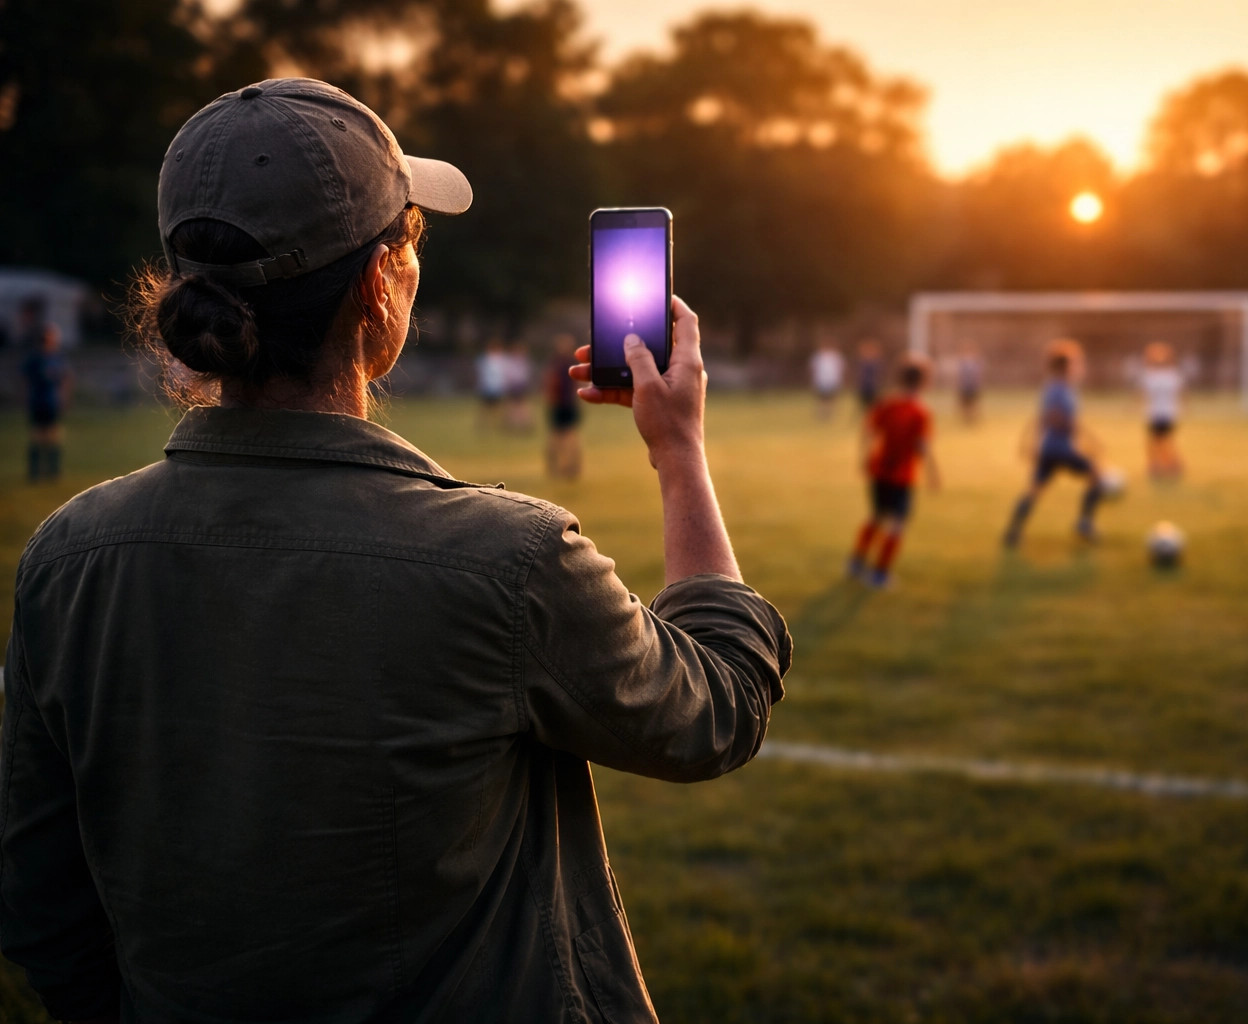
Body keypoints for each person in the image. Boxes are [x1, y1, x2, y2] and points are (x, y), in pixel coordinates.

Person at [0, 78, 790, 1024]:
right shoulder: (511, 562)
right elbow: (719, 709)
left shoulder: (66, 559)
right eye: (411, 241)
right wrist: (678, 449)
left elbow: (40, 903)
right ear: (381, 284)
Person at [847, 355, 939, 588]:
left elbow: (868, 430)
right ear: (924, 382)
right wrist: (933, 471)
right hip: (902, 475)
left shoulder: (887, 404)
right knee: (898, 523)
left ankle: (856, 562)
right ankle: (879, 573)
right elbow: (922, 445)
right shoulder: (919, 411)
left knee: (877, 516)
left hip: (880, 470)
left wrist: (865, 458)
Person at [1003, 339, 1104, 546]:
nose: (1079, 368)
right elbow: (1054, 417)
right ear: (1066, 367)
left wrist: (1032, 442)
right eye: (1076, 363)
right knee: (1096, 474)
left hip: (1050, 448)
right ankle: (1084, 523)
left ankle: (1012, 532)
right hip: (1059, 449)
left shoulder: (1057, 387)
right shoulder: (1058, 388)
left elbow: (1042, 419)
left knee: (1034, 490)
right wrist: (1081, 433)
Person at [20, 322, 72, 482]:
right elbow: (24, 379)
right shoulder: (35, 358)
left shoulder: (57, 357)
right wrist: (24, 397)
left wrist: (63, 397)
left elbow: (65, 378)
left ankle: (52, 472)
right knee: (38, 437)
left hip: (51, 402)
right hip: (38, 402)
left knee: (53, 437)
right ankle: (35, 472)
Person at [1140, 341, 1184, 480]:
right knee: (1164, 441)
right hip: (1169, 413)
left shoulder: (1150, 376)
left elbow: (1143, 394)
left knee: (1155, 442)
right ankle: (1169, 464)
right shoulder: (1173, 375)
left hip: (1156, 413)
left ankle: (1160, 465)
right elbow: (1182, 393)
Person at [544, 332, 582, 478]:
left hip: (564, 404)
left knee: (565, 437)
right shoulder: (565, 363)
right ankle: (563, 466)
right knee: (562, 437)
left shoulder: (558, 363)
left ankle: (566, 466)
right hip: (563, 404)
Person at [474, 336, 508, 429]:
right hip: (488, 387)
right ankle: (484, 425)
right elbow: (480, 373)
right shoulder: (485, 359)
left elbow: (505, 374)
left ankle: (496, 425)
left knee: (497, 408)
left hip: (497, 387)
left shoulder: (500, 359)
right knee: (486, 408)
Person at [502, 339, 534, 431]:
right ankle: (514, 424)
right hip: (514, 385)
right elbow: (508, 374)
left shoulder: (524, 361)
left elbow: (526, 374)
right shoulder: (511, 361)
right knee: (513, 406)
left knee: (521, 406)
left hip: (520, 385)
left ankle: (523, 423)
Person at [808, 341, 844, 420]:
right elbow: (813, 368)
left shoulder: (835, 356)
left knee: (832, 398)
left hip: (832, 379)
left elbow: (840, 368)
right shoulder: (818, 356)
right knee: (821, 398)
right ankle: (821, 413)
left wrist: (839, 379)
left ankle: (831, 413)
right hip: (821, 380)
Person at [957, 343, 983, 424]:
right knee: (965, 404)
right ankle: (967, 419)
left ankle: (973, 419)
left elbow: (978, 374)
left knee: (973, 403)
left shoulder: (976, 362)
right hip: (965, 386)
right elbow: (960, 375)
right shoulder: (962, 362)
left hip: (973, 386)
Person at [854, 338, 883, 410]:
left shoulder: (876, 363)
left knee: (873, 405)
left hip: (873, 386)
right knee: (863, 405)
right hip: (864, 386)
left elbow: (879, 375)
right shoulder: (862, 362)